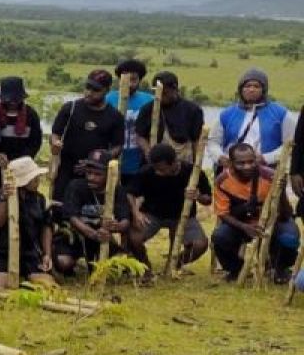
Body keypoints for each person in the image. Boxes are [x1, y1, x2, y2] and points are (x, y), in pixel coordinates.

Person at [212, 143, 299, 283]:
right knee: (220, 237)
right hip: (240, 224)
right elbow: (223, 213)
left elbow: (286, 213)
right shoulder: (222, 181)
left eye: (251, 161)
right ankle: (236, 270)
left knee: (290, 236)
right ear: (230, 163)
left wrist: (281, 192)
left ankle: (280, 268)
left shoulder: (271, 177)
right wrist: (244, 227)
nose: (247, 166)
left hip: (271, 222)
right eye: (241, 163)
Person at [126, 143, 212, 276]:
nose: (157, 171)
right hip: (153, 214)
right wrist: (136, 213)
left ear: (174, 163)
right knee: (134, 238)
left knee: (200, 245)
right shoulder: (147, 171)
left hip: (183, 216)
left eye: (161, 168)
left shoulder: (192, 171)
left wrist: (197, 196)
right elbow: (130, 193)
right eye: (155, 167)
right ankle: (144, 267)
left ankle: (174, 265)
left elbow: (208, 200)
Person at [49, 70, 124, 204]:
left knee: (88, 213)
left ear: (106, 90)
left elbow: (118, 146)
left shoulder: (115, 116)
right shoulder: (70, 109)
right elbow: (55, 133)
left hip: (95, 176)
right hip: (66, 170)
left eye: (95, 90)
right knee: (59, 209)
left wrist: (99, 160)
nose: (89, 92)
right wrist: (55, 143)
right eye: (87, 87)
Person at [54, 149, 132, 275]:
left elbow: (125, 220)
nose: (91, 177)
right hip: (75, 236)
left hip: (103, 237)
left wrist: (117, 226)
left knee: (122, 266)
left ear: (108, 174)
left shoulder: (117, 191)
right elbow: (73, 218)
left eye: (97, 174)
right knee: (63, 262)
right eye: (89, 173)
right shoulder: (76, 186)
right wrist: (94, 234)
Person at [0, 157, 55, 289]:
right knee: (2, 284)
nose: (37, 181)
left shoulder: (39, 199)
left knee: (46, 285)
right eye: (33, 178)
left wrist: (47, 254)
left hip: (29, 252)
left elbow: (46, 226)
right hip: (2, 252)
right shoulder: (1, 195)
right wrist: (5, 199)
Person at [208, 68, 293, 172]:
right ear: (241, 89)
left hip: (269, 173)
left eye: (256, 86)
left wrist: (266, 158)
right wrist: (220, 157)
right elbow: (213, 142)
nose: (251, 89)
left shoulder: (281, 114)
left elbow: (290, 145)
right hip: (231, 172)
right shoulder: (226, 114)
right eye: (247, 86)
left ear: (264, 89)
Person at [0, 76, 43, 199]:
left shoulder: (31, 115)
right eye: (9, 99)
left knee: (21, 201)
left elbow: (35, 142)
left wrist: (21, 161)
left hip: (22, 169)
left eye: (16, 99)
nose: (12, 102)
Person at [135, 71, 205, 164]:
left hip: (183, 162)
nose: (159, 97)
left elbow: (197, 141)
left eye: (164, 93)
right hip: (154, 163)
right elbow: (140, 136)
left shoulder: (192, 110)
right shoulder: (147, 109)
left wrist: (197, 165)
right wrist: (148, 152)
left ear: (175, 90)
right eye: (156, 93)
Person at [104, 59, 155, 186]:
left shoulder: (149, 101)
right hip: (112, 161)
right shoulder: (108, 99)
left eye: (134, 80)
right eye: (126, 79)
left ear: (140, 80)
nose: (130, 84)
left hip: (139, 161)